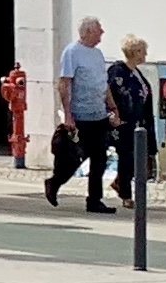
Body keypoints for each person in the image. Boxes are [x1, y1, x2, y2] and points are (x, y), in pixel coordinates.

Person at [44, 15, 120, 213]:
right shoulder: (72, 52)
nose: (102, 32)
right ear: (88, 32)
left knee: (100, 159)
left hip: (98, 115)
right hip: (80, 115)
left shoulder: (97, 54)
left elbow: (103, 85)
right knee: (74, 158)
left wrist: (112, 107)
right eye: (99, 29)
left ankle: (94, 200)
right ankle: (54, 182)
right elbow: (64, 83)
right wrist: (68, 114)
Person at [106, 35, 154, 202]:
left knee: (134, 158)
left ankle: (120, 182)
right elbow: (110, 93)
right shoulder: (118, 71)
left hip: (139, 123)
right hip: (124, 122)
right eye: (143, 51)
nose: (146, 55)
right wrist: (114, 114)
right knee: (127, 157)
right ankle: (126, 194)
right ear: (135, 52)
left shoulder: (136, 72)